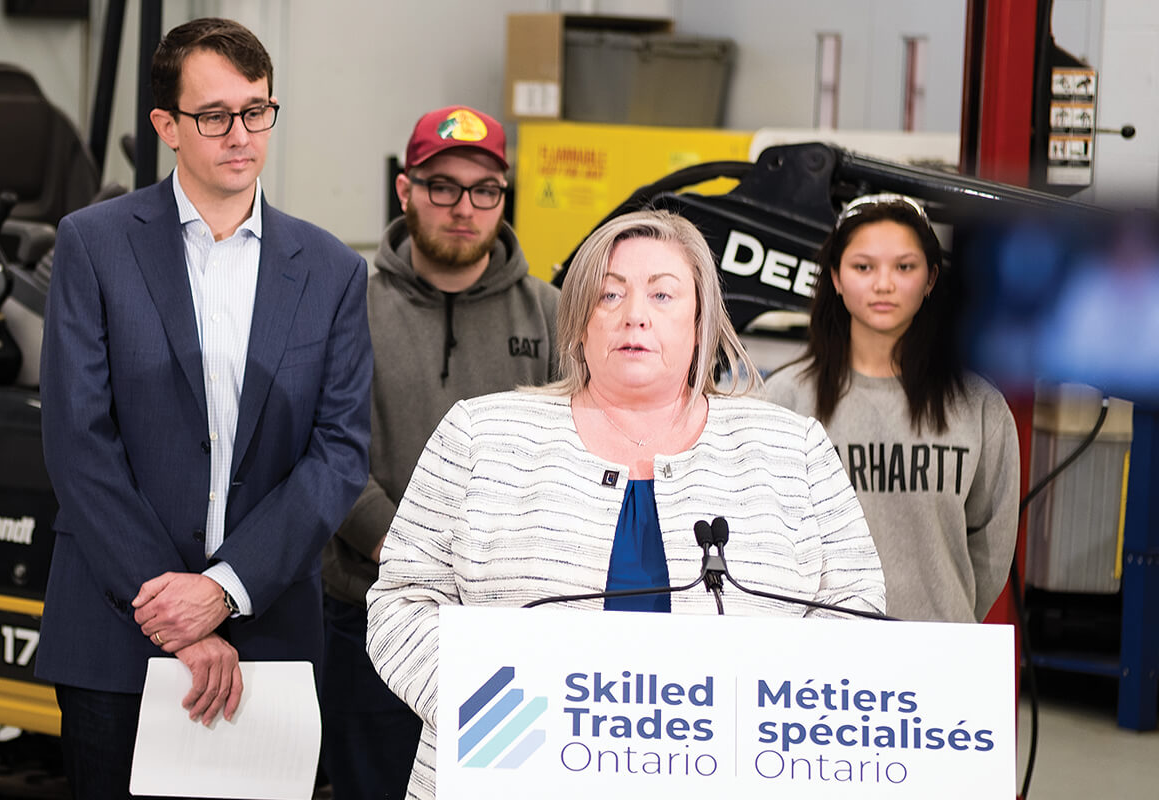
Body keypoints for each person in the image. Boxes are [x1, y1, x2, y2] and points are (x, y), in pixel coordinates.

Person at [366, 209, 885, 800]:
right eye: (609, 294)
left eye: (663, 294)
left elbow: (856, 608)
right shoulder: (480, 434)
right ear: (578, 319)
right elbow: (403, 602)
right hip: (509, 769)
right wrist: (504, 715)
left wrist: (756, 727)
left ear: (701, 322)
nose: (635, 313)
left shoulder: (793, 448)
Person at [34, 17, 371, 798]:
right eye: (214, 116)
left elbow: (339, 451)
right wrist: (171, 609)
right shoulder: (93, 245)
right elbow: (78, 441)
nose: (240, 135)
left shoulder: (329, 270)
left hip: (268, 635)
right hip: (114, 636)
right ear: (166, 127)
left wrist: (223, 592)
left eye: (256, 111)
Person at [319, 105, 558, 799]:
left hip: (510, 632)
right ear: (405, 189)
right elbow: (333, 455)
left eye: (485, 190)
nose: (464, 208)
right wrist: (414, 555)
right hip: (369, 618)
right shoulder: (350, 308)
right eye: (442, 186)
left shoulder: (548, 312)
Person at [764, 193, 1019, 623]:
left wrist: (945, 616)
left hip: (937, 655)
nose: (884, 284)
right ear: (837, 278)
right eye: (864, 267)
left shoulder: (979, 406)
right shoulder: (785, 399)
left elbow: (991, 546)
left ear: (931, 278)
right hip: (821, 665)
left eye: (904, 267)